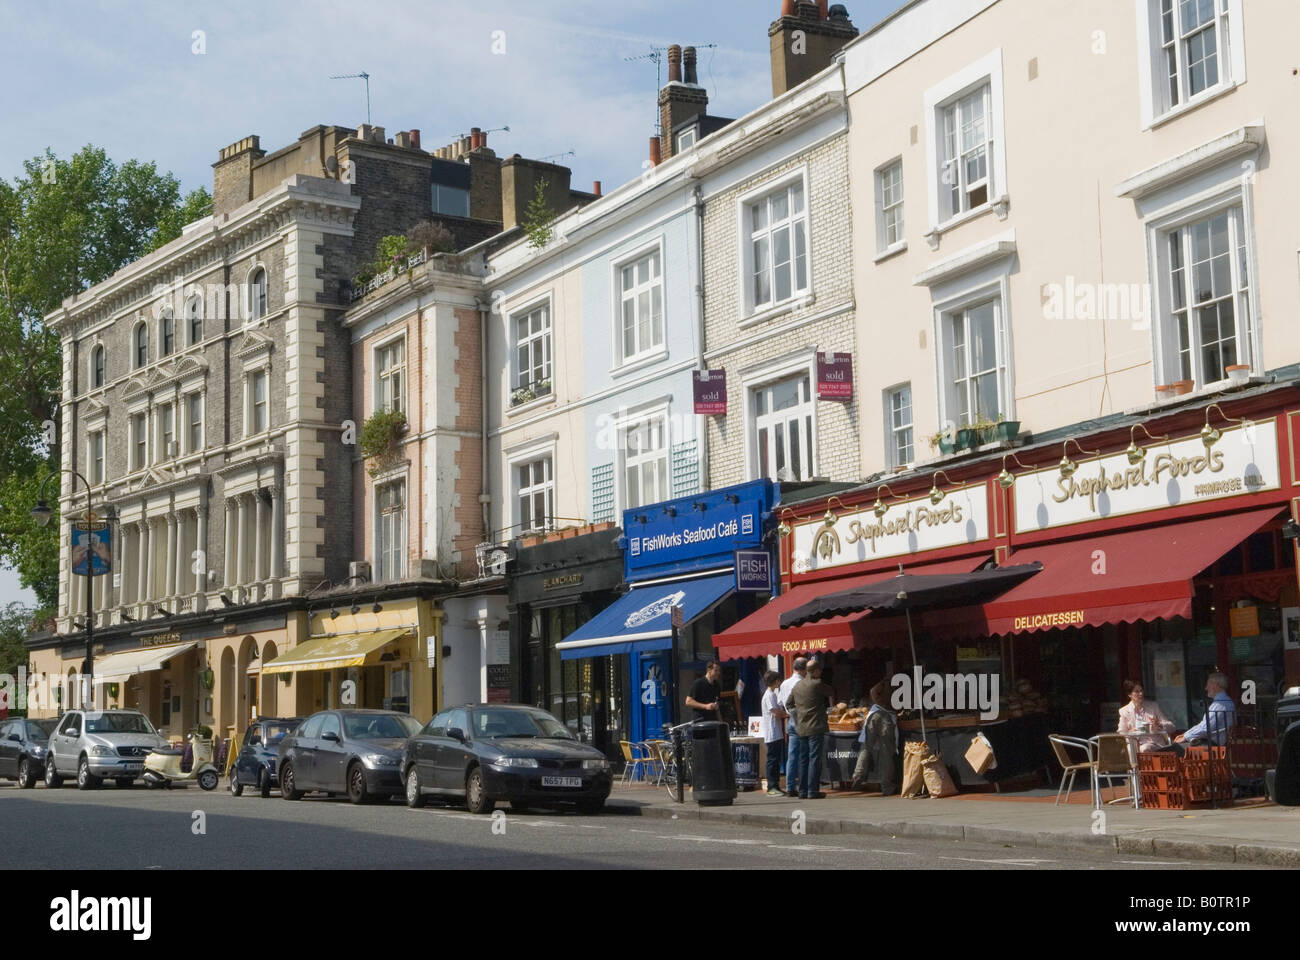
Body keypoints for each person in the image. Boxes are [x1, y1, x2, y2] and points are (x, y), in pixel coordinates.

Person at [786, 660, 835, 799]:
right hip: (816, 727)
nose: (821, 672)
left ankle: (802, 791)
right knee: (814, 759)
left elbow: (789, 703)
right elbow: (830, 691)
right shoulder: (817, 684)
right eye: (819, 670)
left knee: (803, 759)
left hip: (801, 727)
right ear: (814, 671)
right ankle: (812, 791)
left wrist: (797, 716)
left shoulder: (797, 686)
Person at [851, 680, 900, 794]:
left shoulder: (887, 682)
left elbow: (873, 691)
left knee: (866, 747)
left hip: (874, 714)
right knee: (886, 753)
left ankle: (858, 775)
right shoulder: (891, 682)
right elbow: (873, 691)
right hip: (886, 717)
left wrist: (878, 702)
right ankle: (886, 786)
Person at [1174, 672, 1237, 750]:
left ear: (1215, 685)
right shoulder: (1223, 702)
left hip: (1211, 745)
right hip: (1209, 743)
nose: (1206, 688)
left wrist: (1185, 736)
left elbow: (1206, 728)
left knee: (1169, 750)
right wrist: (1185, 735)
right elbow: (1203, 725)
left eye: (1208, 685)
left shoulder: (1220, 704)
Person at [778, 658, 808, 797]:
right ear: (803, 669)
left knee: (792, 755)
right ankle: (803, 786)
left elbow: (780, 702)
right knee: (804, 755)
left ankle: (790, 787)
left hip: (790, 720)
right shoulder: (802, 683)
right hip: (801, 720)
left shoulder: (784, 683)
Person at [1117, 679, 1174, 752]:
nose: (1141, 694)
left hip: (1154, 743)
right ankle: (1134, 764)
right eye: (1137, 691)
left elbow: (1172, 727)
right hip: (1134, 744)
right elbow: (1121, 733)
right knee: (1130, 749)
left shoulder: (1153, 706)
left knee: (1145, 748)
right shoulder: (1124, 711)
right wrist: (1130, 733)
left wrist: (1159, 725)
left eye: (1141, 690)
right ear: (1129, 694)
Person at [760, 671, 788, 796]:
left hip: (775, 732)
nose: (780, 682)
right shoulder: (769, 695)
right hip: (772, 732)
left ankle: (775, 785)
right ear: (775, 681)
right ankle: (771, 787)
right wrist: (786, 714)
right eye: (778, 680)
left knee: (775, 760)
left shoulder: (771, 694)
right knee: (772, 760)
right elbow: (775, 712)